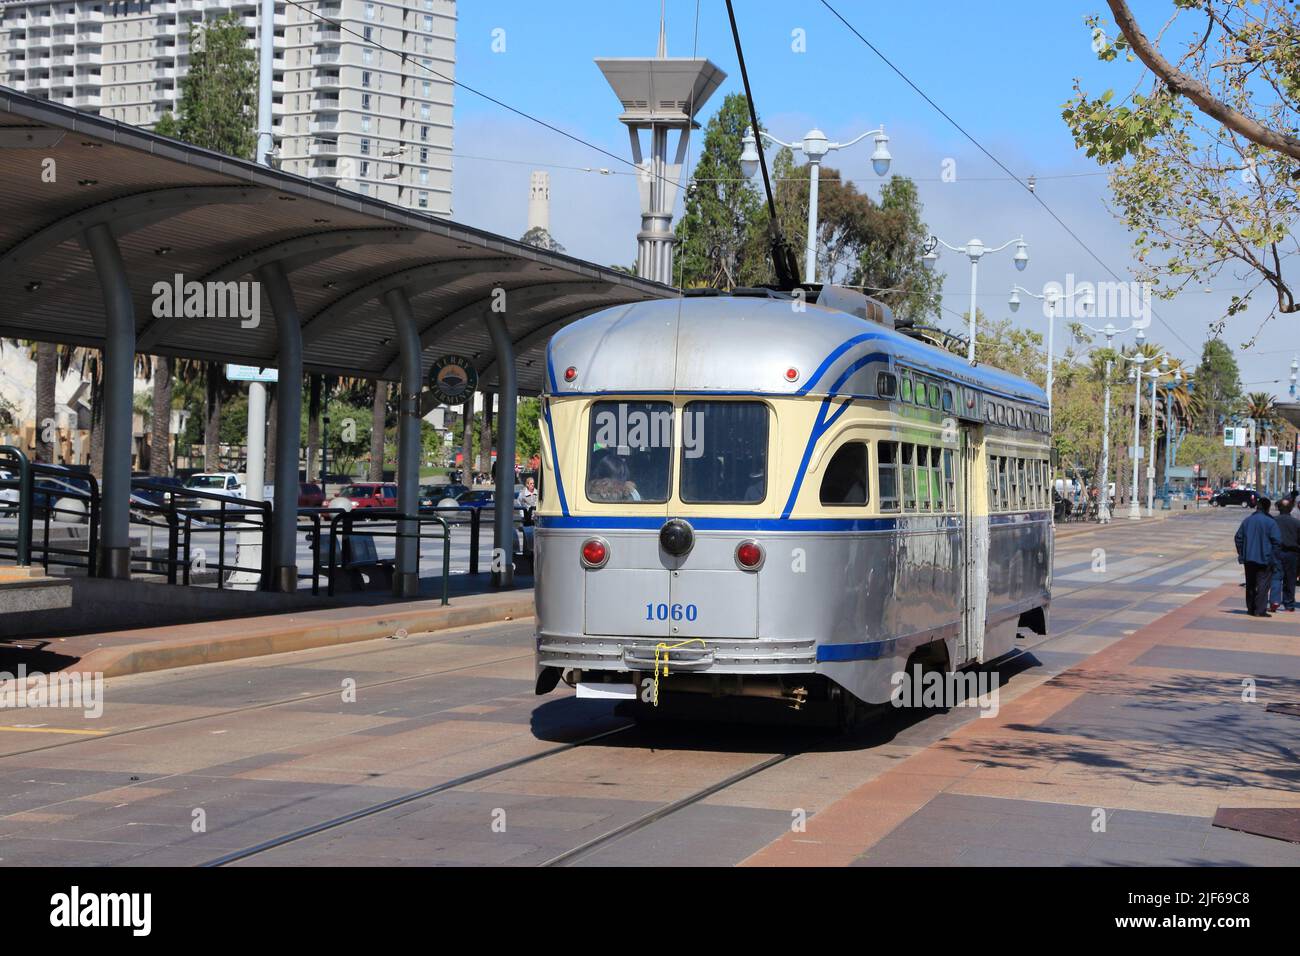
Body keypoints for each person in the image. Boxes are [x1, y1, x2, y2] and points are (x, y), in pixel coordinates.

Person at [1235, 496, 1280, 617]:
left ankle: (1251, 608)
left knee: (1250, 584)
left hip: (1249, 558)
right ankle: (1260, 610)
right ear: (1267, 508)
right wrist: (1273, 558)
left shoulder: (1247, 520)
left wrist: (1242, 553)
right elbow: (1277, 542)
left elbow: (1238, 538)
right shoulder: (1271, 522)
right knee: (1263, 585)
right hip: (1265, 559)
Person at [1271, 498, 1300, 612]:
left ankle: (1274, 600)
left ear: (1278, 508)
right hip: (1292, 553)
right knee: (1290, 579)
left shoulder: (1273, 521)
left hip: (1277, 552)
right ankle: (1289, 604)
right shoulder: (1296, 523)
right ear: (1290, 509)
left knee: (1276, 577)